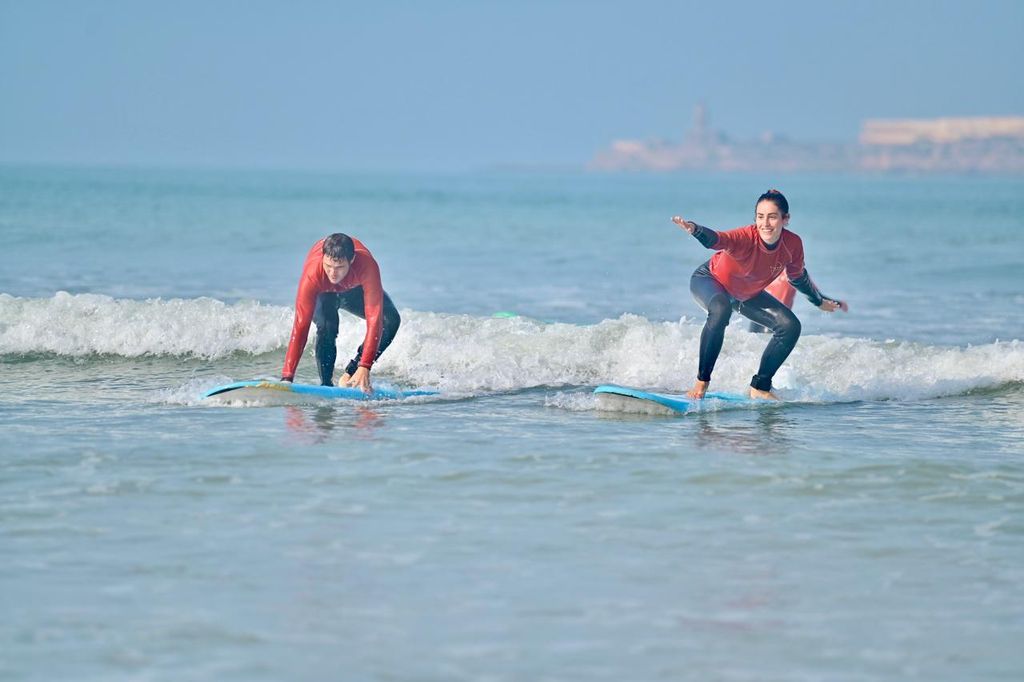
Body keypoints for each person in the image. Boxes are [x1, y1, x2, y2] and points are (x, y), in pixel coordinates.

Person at [672, 189, 848, 400]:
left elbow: (798, 277)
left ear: (786, 219)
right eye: (760, 217)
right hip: (710, 280)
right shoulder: (745, 237)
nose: (765, 223)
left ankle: (760, 387)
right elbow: (718, 239)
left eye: (772, 217)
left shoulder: (792, 244)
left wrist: (818, 301)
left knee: (790, 327)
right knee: (720, 309)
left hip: (746, 294)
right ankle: (701, 383)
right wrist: (696, 229)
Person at [280, 233, 401, 393]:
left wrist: (365, 365)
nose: (332, 273)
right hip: (323, 293)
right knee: (326, 326)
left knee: (390, 320)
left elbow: (374, 319)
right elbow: (301, 327)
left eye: (339, 267)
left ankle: (352, 373)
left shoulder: (367, 266)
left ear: (351, 261)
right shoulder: (313, 274)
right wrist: (287, 377)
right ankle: (326, 385)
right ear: (323, 258)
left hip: (353, 290)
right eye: (328, 266)